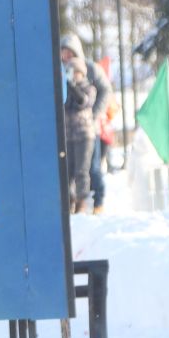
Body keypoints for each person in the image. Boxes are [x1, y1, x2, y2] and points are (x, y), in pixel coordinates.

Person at [58, 35, 114, 212]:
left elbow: (105, 90)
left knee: (92, 167)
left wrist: (95, 114)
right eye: (63, 53)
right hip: (69, 129)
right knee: (71, 169)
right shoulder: (60, 69)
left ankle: (98, 201)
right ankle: (73, 199)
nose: (66, 57)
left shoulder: (90, 68)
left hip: (90, 127)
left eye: (69, 52)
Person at [61, 53, 97, 214]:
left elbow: (83, 101)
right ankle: (69, 201)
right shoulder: (66, 90)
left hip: (84, 136)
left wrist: (73, 87)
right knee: (67, 172)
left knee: (82, 171)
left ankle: (82, 202)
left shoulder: (89, 88)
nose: (73, 75)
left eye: (75, 71)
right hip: (68, 136)